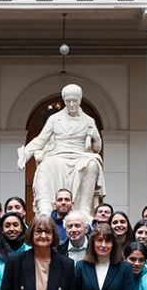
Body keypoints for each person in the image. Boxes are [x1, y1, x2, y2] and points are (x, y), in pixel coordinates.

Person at [18, 83, 104, 221]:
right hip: (58, 155)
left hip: (80, 155)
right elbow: (41, 140)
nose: (71, 104)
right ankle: (45, 209)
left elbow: (97, 149)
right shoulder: (54, 119)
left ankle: (84, 210)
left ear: (80, 99)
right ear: (64, 101)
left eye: (74, 101)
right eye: (68, 101)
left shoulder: (89, 120)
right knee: (45, 166)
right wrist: (26, 154)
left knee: (92, 164)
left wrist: (96, 136)